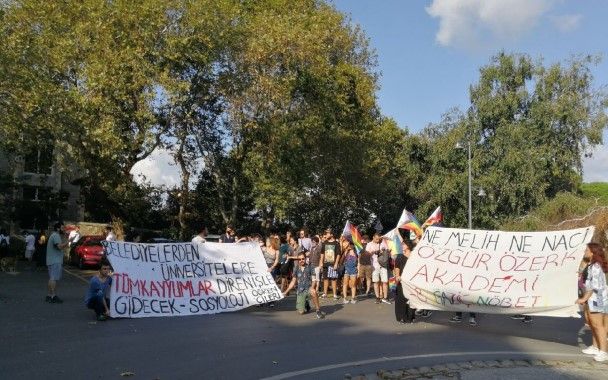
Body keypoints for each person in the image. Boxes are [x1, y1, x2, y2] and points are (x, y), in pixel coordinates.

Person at [577, 243, 608, 362]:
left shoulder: (595, 267)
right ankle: (595, 347)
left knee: (598, 325)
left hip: (597, 299)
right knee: (592, 323)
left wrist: (583, 299)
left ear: (592, 252)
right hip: (593, 299)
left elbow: (593, 287)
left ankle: (603, 351)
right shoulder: (591, 265)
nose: (585, 251)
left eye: (587, 250)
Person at [282, 252, 325, 319]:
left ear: (305, 259)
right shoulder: (296, 268)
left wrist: (312, 287)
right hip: (300, 291)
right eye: (299, 259)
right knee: (301, 312)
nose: (301, 260)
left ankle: (318, 310)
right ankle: (306, 303)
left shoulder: (310, 267)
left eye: (303, 259)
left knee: (313, 291)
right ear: (298, 260)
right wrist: (286, 291)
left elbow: (314, 280)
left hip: (308, 289)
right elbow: (293, 281)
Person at [394, 241, 416, 323]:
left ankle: (411, 317)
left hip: (411, 282)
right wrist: (397, 276)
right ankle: (402, 317)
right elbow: (397, 267)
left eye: (404, 244)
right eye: (402, 244)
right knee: (401, 298)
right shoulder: (400, 256)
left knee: (411, 299)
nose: (402, 246)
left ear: (408, 246)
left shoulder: (414, 256)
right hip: (402, 281)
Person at [46, 222, 67, 303]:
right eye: (62, 228)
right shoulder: (56, 235)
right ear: (58, 228)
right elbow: (59, 246)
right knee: (54, 278)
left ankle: (49, 295)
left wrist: (65, 237)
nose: (63, 229)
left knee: (51, 278)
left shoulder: (53, 235)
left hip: (51, 260)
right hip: (55, 260)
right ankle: (53, 296)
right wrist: (68, 241)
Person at [367, 233, 390, 304]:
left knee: (385, 281)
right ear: (373, 237)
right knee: (376, 282)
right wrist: (374, 252)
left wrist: (384, 251)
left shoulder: (383, 243)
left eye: (379, 239)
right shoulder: (369, 244)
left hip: (383, 265)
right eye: (376, 239)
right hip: (374, 265)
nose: (378, 240)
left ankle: (385, 298)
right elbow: (367, 254)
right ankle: (377, 297)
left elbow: (388, 252)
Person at [321, 229, 341, 300]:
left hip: (333, 264)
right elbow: (322, 253)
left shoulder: (336, 243)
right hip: (325, 264)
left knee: (333, 279)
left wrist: (336, 263)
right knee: (325, 279)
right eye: (325, 233)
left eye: (327, 233)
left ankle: (335, 294)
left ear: (331, 234)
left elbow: (338, 254)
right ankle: (325, 293)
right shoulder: (324, 243)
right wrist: (321, 262)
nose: (326, 235)